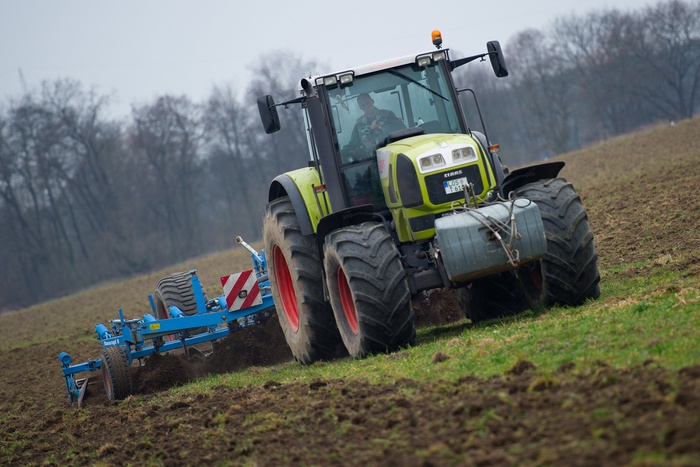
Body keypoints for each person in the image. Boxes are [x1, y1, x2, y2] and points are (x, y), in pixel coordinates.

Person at [344, 93, 404, 161]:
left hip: (393, 156)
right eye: (363, 105)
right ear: (360, 107)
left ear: (372, 101)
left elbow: (401, 132)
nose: (366, 107)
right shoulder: (359, 125)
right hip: (372, 161)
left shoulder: (388, 114)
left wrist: (384, 124)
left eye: (368, 103)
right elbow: (353, 144)